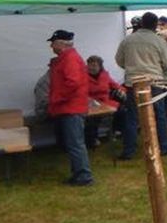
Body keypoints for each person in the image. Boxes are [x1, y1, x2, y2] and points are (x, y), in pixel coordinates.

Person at [115, 11, 167, 159]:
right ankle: (164, 146)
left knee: (132, 117)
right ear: (155, 25)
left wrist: (132, 68)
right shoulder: (159, 41)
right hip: (154, 82)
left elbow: (119, 60)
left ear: (141, 23)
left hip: (133, 83)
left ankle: (129, 151)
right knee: (159, 115)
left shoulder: (128, 40)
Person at [48, 30, 94, 186]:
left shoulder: (69, 59)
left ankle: (83, 176)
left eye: (53, 43)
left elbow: (72, 84)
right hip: (70, 106)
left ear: (61, 44)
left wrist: (56, 98)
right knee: (74, 143)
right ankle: (79, 173)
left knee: (75, 144)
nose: (51, 46)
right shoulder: (67, 58)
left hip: (71, 107)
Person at [84, 55, 125, 149]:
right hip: (91, 103)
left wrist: (122, 90)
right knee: (92, 119)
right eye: (90, 65)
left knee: (121, 110)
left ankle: (115, 131)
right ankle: (92, 139)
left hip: (106, 102)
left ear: (100, 66)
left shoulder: (105, 75)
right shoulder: (82, 76)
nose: (92, 68)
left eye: (95, 65)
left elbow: (115, 85)